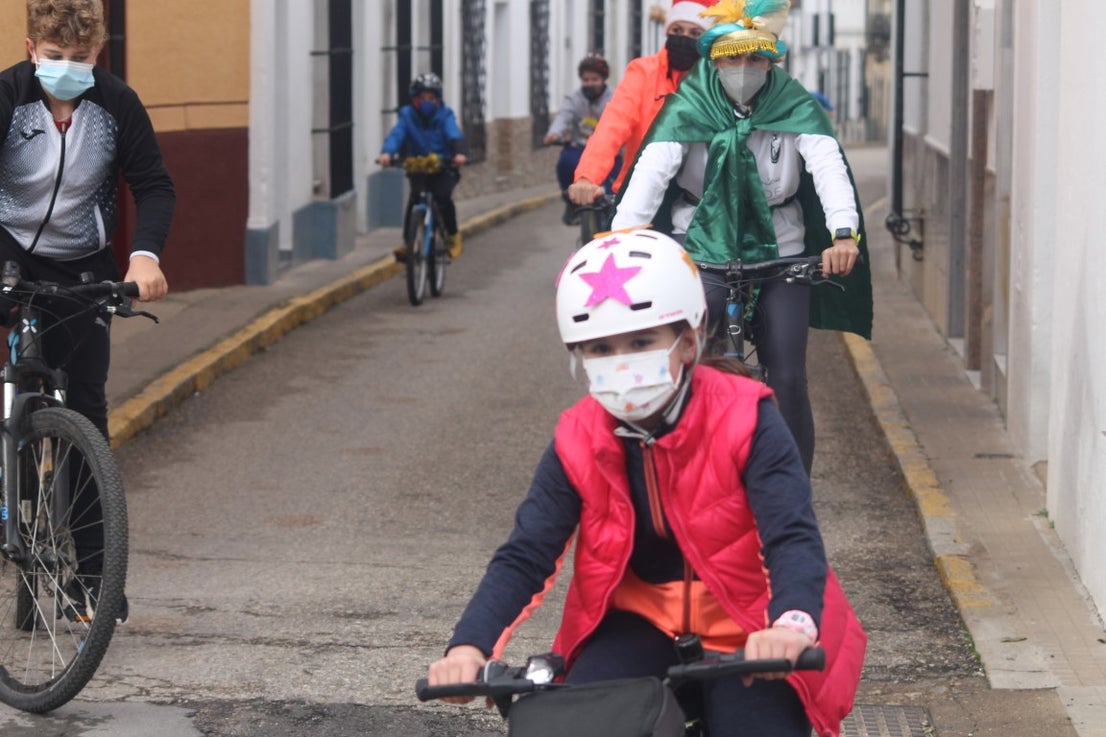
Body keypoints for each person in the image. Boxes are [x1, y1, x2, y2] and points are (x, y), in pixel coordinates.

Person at [425, 230, 866, 737]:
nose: (622, 360)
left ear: (689, 339)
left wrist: (791, 624)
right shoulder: (579, 436)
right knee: (581, 724)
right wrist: (468, 647)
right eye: (601, 348)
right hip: (639, 622)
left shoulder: (748, 417)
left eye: (641, 341)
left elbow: (791, 534)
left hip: (753, 621)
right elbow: (527, 552)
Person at [609, 0, 873, 474]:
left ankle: (793, 484)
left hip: (781, 246)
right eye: (732, 57)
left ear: (772, 61)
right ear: (714, 58)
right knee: (680, 363)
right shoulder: (687, 105)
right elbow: (652, 170)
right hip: (701, 245)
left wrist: (842, 234)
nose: (744, 68)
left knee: (788, 372)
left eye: (756, 58)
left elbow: (829, 167)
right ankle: (671, 469)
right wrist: (623, 237)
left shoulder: (794, 104)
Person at [0, 0, 176, 623]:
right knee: (13, 393)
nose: (67, 68)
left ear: (98, 55)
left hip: (82, 266)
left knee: (86, 417)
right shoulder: (9, 98)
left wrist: (145, 256)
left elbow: (153, 184)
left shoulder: (116, 103)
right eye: (54, 58)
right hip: (9, 256)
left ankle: (93, 586)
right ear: (30, 49)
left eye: (80, 59)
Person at [566, 0, 718, 206]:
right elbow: (613, 124)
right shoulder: (643, 71)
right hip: (639, 190)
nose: (684, 38)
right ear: (667, 31)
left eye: (695, 33)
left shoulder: (716, 78)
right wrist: (587, 176)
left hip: (700, 198)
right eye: (677, 29)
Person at [377, 73, 468, 260]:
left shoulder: (445, 115)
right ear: (415, 99)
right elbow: (397, 134)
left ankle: (452, 236)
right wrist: (387, 152)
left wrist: (459, 153)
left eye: (431, 98)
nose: (427, 102)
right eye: (423, 98)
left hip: (443, 166)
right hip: (419, 166)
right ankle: (407, 242)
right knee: (414, 202)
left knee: (443, 198)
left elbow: (454, 133)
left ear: (437, 100)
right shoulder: (407, 115)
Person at [542, 53, 619, 226]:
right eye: (586, 79)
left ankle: (612, 218)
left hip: (609, 150)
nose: (590, 83)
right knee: (565, 162)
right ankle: (570, 200)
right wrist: (554, 133)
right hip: (581, 148)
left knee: (615, 185)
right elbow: (564, 116)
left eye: (595, 79)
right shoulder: (574, 98)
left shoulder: (616, 97)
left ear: (604, 79)